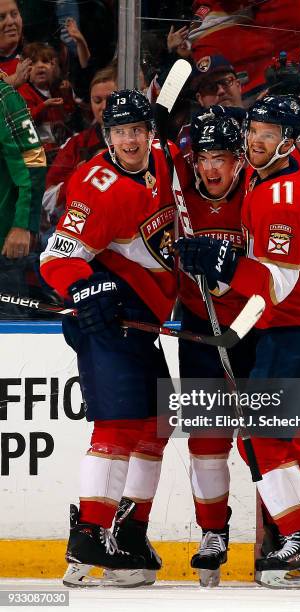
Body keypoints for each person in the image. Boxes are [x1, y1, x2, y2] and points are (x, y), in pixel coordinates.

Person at [177, 94, 300, 589]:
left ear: (288, 141)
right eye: (253, 128)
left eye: (268, 133)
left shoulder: (278, 194)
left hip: (299, 321)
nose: (256, 139)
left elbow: (277, 284)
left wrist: (222, 263)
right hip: (298, 323)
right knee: (278, 436)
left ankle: (298, 538)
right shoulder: (276, 168)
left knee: (264, 431)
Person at [40, 88, 188, 587]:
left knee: (157, 424)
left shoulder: (164, 161)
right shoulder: (95, 185)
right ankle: (89, 535)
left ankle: (127, 534)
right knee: (120, 426)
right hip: (109, 319)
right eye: (119, 131)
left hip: (144, 319)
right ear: (107, 135)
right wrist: (87, 288)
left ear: (151, 133)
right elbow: (57, 258)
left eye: (138, 130)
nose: (129, 140)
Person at [178, 106, 257, 587]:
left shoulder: (256, 194)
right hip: (198, 331)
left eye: (222, 157)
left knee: (264, 442)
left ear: (240, 159)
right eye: (205, 156)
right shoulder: (179, 195)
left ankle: (285, 533)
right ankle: (213, 533)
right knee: (206, 440)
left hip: (254, 328)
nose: (212, 167)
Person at [41, 65, 117, 244]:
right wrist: (78, 177)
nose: (104, 107)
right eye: (97, 101)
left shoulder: (144, 141)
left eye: (111, 99)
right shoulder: (77, 144)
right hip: (83, 231)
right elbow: (48, 200)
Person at [0, 77, 46, 317]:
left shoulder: (5, 98)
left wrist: (23, 224)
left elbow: (33, 162)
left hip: (4, 246)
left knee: (10, 343)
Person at [0, 0, 31, 87]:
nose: (10, 22)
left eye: (14, 14)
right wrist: (13, 80)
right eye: (1, 17)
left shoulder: (36, 55)